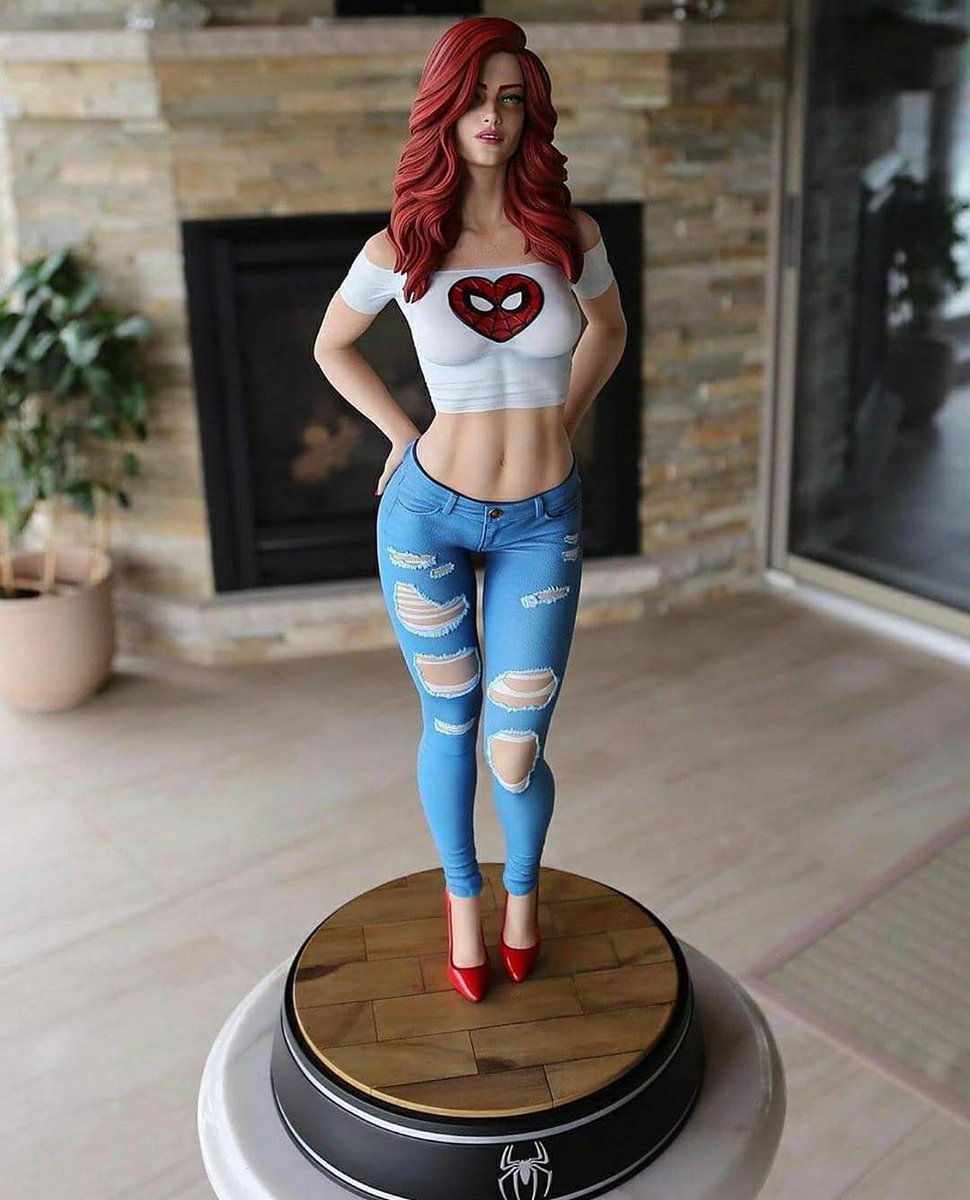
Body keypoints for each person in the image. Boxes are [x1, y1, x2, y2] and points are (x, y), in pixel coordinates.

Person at [314, 16, 627, 1001]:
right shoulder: (404, 245)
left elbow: (609, 331)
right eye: (474, 97)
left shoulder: (569, 238)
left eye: (511, 98)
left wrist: (562, 420)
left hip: (541, 521)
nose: (492, 116)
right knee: (450, 721)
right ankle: (462, 899)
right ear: (442, 110)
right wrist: (400, 436)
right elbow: (331, 345)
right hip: (426, 516)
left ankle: (522, 894)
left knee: (516, 743)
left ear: (529, 113)